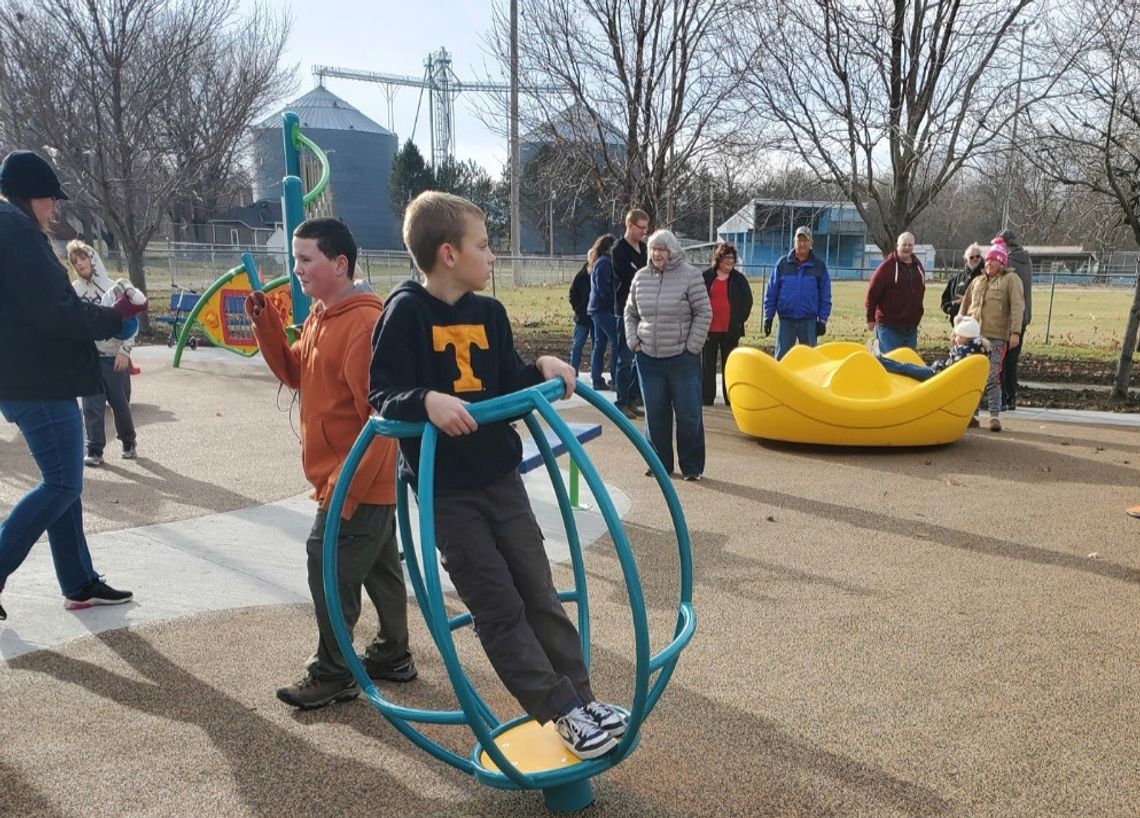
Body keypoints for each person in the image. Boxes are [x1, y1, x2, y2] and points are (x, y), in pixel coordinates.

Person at [369, 190, 628, 760]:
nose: (493, 256)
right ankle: (559, 710)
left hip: (500, 480)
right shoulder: (405, 311)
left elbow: (506, 379)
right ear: (448, 255)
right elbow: (383, 394)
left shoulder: (489, 313)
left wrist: (542, 367)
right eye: (484, 246)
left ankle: (582, 699)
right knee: (498, 606)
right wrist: (426, 399)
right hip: (449, 494)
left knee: (538, 590)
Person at [246, 217, 414, 710]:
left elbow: (381, 418)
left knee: (327, 562)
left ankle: (334, 670)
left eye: (305, 259)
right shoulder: (323, 315)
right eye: (294, 259)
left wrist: (348, 491)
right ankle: (393, 653)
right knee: (380, 564)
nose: (295, 269)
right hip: (349, 475)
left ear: (340, 264)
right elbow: (294, 371)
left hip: (356, 476)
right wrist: (267, 324)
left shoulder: (362, 323)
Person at [0, 150, 145, 620]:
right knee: (63, 483)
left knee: (65, 483)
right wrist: (115, 317)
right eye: (49, 198)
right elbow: (56, 309)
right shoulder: (17, 232)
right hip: (38, 378)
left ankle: (78, 580)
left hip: (28, 375)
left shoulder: (11, 227)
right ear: (31, 196)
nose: (54, 208)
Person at [624, 229, 712, 481]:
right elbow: (630, 313)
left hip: (682, 358)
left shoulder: (690, 276)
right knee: (655, 414)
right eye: (653, 249)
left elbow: (704, 313)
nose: (657, 254)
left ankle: (692, 466)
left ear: (672, 251)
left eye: (662, 249)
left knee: (688, 413)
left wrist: (692, 346)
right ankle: (659, 463)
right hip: (648, 358)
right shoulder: (640, 277)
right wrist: (633, 341)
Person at [68, 240, 139, 466]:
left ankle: (128, 440)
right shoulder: (74, 291)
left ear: (92, 258)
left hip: (114, 357)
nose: (80, 264)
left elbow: (131, 322)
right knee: (92, 406)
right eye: (75, 261)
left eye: (83, 258)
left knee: (120, 403)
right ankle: (94, 448)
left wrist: (125, 351)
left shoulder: (114, 288)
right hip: (90, 359)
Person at [958, 237, 1024, 432]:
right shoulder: (978, 281)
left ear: (1002, 262)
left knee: (992, 376)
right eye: (987, 261)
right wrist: (958, 330)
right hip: (973, 337)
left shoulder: (1011, 280)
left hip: (996, 337)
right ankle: (973, 415)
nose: (988, 263)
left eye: (993, 260)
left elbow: (1017, 306)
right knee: (972, 377)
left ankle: (994, 416)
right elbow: (965, 307)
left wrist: (1015, 332)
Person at [763, 226, 831, 360]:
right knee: (782, 359)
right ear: (794, 242)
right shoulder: (782, 264)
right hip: (786, 320)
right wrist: (768, 317)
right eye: (799, 240)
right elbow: (771, 292)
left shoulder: (819, 266)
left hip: (809, 321)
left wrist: (822, 320)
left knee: (811, 360)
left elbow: (825, 295)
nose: (802, 244)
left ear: (811, 243)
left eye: (805, 240)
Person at [701, 242, 753, 405]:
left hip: (730, 329)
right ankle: (706, 397)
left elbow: (747, 301)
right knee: (707, 365)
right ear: (719, 259)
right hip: (709, 329)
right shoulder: (706, 277)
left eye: (732, 258)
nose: (730, 261)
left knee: (729, 365)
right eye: (726, 258)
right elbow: (696, 299)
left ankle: (729, 398)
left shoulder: (739, 280)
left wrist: (738, 321)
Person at [611, 208, 650, 413]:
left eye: (645, 228)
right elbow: (629, 276)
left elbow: (647, 273)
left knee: (640, 356)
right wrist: (640, 273)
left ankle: (634, 397)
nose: (644, 232)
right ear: (629, 225)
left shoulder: (645, 249)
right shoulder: (618, 250)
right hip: (625, 310)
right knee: (624, 358)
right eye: (640, 228)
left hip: (644, 309)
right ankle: (621, 401)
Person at [877, 315, 991, 383]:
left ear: (967, 337)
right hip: (938, 370)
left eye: (958, 336)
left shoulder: (964, 351)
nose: (955, 339)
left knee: (906, 368)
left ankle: (879, 360)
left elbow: (951, 368)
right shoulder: (976, 348)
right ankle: (880, 358)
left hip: (937, 374)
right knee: (908, 366)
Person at [865, 231, 926, 354]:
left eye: (910, 245)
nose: (907, 248)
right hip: (889, 328)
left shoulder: (918, 267)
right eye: (904, 245)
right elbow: (872, 294)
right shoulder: (886, 268)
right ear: (897, 246)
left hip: (910, 328)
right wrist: (870, 318)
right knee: (889, 363)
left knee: (908, 364)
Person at [996, 229, 1033, 410]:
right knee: (1012, 360)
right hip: (1024, 317)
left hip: (1010, 317)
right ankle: (1011, 397)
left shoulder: (1008, 262)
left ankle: (1002, 397)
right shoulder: (1027, 260)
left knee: (1002, 360)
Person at [587, 234, 625, 400]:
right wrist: (614, 302)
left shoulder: (600, 262)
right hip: (603, 310)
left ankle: (597, 379)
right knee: (617, 342)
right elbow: (604, 288)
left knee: (600, 344)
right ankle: (615, 379)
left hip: (597, 309)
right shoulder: (604, 263)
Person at [568, 249, 596, 376]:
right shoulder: (580, 276)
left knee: (597, 346)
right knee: (577, 345)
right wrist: (578, 309)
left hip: (596, 317)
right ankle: (573, 371)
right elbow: (572, 294)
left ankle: (595, 373)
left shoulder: (600, 273)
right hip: (582, 318)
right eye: (591, 256)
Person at [942, 243, 985, 324]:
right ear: (966, 260)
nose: (975, 259)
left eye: (978, 256)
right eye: (971, 257)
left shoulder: (986, 277)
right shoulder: (956, 279)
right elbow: (944, 300)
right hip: (958, 325)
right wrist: (950, 309)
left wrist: (967, 301)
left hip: (978, 324)